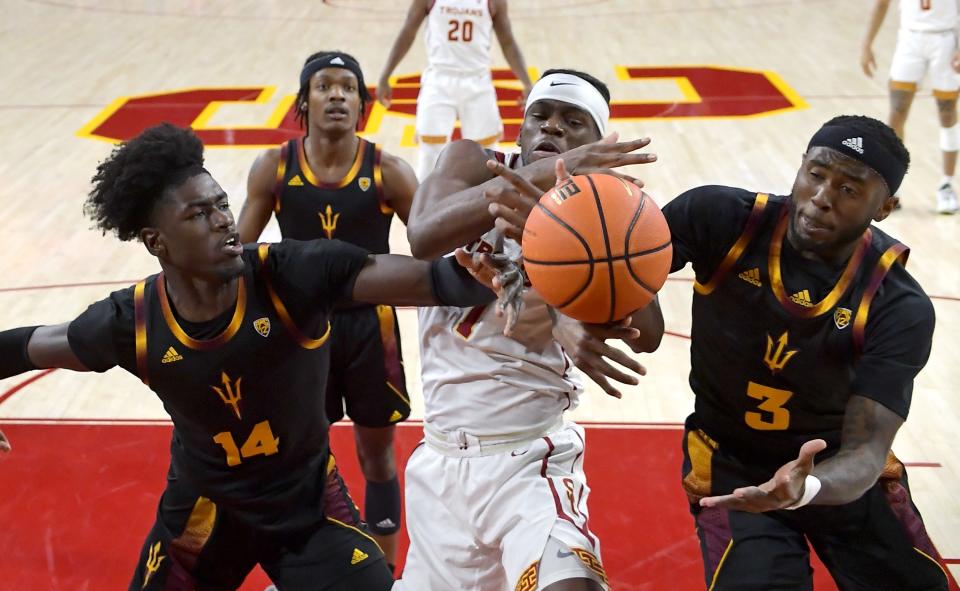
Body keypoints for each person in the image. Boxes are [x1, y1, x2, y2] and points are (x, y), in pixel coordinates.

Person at [0, 123, 499, 590]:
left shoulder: (291, 274)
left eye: (221, 203)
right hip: (202, 515)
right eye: (199, 214)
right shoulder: (132, 320)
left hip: (308, 509)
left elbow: (434, 279)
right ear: (158, 243)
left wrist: (501, 254)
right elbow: (27, 346)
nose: (223, 221)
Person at [487, 115, 950, 590]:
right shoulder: (721, 217)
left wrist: (806, 487)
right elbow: (616, 267)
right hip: (732, 468)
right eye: (816, 174)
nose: (822, 198)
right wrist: (566, 268)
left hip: (836, 477)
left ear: (886, 207)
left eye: (849, 190)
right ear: (801, 165)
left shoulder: (896, 303)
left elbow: (866, 451)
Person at [395, 70, 660, 591]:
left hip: (531, 459)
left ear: (596, 143)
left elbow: (648, 332)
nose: (552, 128)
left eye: (572, 121)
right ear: (519, 130)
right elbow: (423, 235)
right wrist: (543, 181)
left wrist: (595, 250)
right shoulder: (471, 163)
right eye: (540, 115)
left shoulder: (605, 205)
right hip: (441, 459)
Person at [237, 50, 418, 570]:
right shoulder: (273, 167)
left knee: (376, 458)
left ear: (362, 103)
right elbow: (234, 256)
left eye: (347, 87)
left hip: (370, 330)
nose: (336, 95)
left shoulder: (390, 172)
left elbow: (433, 249)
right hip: (299, 334)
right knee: (298, 461)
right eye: (324, 86)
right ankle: (305, 569)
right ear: (304, 101)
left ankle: (384, 574)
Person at [377, 0, 534, 180]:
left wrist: (527, 82)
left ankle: (485, 205)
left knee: (485, 153)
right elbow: (408, 31)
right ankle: (425, 206)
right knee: (430, 153)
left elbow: (508, 42)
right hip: (438, 80)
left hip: (478, 81)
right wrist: (385, 74)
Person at [861, 0, 960, 214]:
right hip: (910, 39)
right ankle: (892, 186)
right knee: (896, 112)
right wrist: (866, 44)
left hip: (946, 40)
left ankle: (947, 184)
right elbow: (881, 4)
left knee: (947, 111)